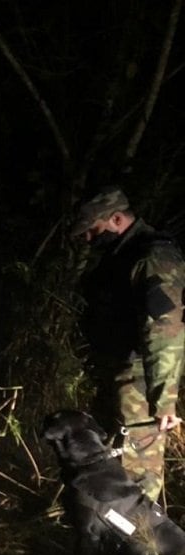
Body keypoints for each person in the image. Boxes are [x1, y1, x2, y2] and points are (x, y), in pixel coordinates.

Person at [72, 186, 185, 500]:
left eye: (93, 231)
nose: (88, 239)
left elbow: (166, 330)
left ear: (116, 218)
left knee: (138, 478)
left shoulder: (153, 257)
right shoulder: (122, 256)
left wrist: (163, 401)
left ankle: (146, 545)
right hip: (118, 377)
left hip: (140, 386)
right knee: (114, 467)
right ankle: (118, 538)